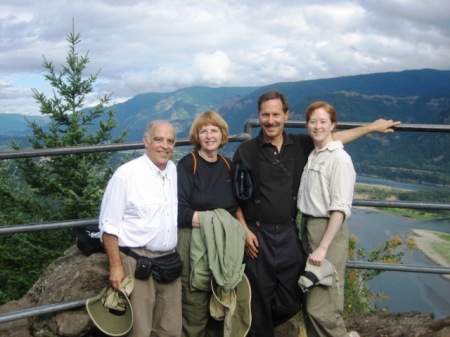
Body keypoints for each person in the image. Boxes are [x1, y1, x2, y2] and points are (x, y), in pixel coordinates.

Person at [232, 90, 400, 337]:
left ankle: (261, 324)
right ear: (259, 115)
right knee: (258, 300)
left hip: (290, 232)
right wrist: (245, 231)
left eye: (276, 114)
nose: (270, 120)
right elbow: (235, 195)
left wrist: (370, 128)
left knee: (295, 297)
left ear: (286, 115)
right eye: (265, 114)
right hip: (258, 234)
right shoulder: (246, 151)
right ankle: (258, 328)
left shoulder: (300, 145)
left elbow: (331, 139)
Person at [99, 120, 182, 337]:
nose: (165, 146)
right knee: (139, 330)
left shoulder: (172, 170)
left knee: (170, 328)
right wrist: (116, 267)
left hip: (168, 260)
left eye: (170, 141)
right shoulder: (126, 175)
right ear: (146, 141)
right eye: (158, 139)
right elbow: (109, 227)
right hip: (137, 261)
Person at [177, 111, 247, 337]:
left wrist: (243, 230)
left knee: (221, 303)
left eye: (214, 130)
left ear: (222, 134)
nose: (209, 135)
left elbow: (237, 206)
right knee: (194, 305)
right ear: (196, 135)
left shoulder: (228, 165)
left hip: (225, 246)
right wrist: (214, 224)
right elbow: (180, 212)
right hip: (195, 243)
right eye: (203, 131)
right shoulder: (189, 164)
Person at [298, 101, 358, 337]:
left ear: (333, 124)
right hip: (309, 227)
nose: (317, 126)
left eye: (323, 121)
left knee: (323, 307)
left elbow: (340, 209)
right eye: (313, 121)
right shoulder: (315, 153)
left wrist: (323, 247)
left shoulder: (339, 159)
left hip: (327, 232)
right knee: (309, 303)